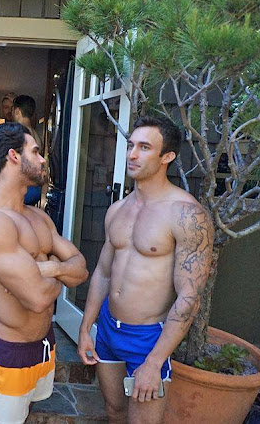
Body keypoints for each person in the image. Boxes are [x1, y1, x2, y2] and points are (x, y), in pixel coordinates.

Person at [76, 116, 214, 424]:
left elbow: (189, 297)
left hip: (148, 338)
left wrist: (155, 361)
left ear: (167, 156)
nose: (132, 154)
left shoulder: (187, 215)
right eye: (130, 146)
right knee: (114, 411)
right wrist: (86, 329)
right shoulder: (118, 209)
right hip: (109, 329)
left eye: (144, 147)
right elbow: (103, 273)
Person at [0, 123, 89, 424]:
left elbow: (82, 269)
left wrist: (52, 267)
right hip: (7, 350)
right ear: (14, 156)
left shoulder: (38, 216)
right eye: (35, 151)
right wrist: (60, 271)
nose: (43, 159)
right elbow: (37, 298)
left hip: (43, 344)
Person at [13, 95, 44, 206]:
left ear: (17, 111)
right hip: (35, 187)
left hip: (24, 189)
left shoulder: (18, 132)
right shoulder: (35, 134)